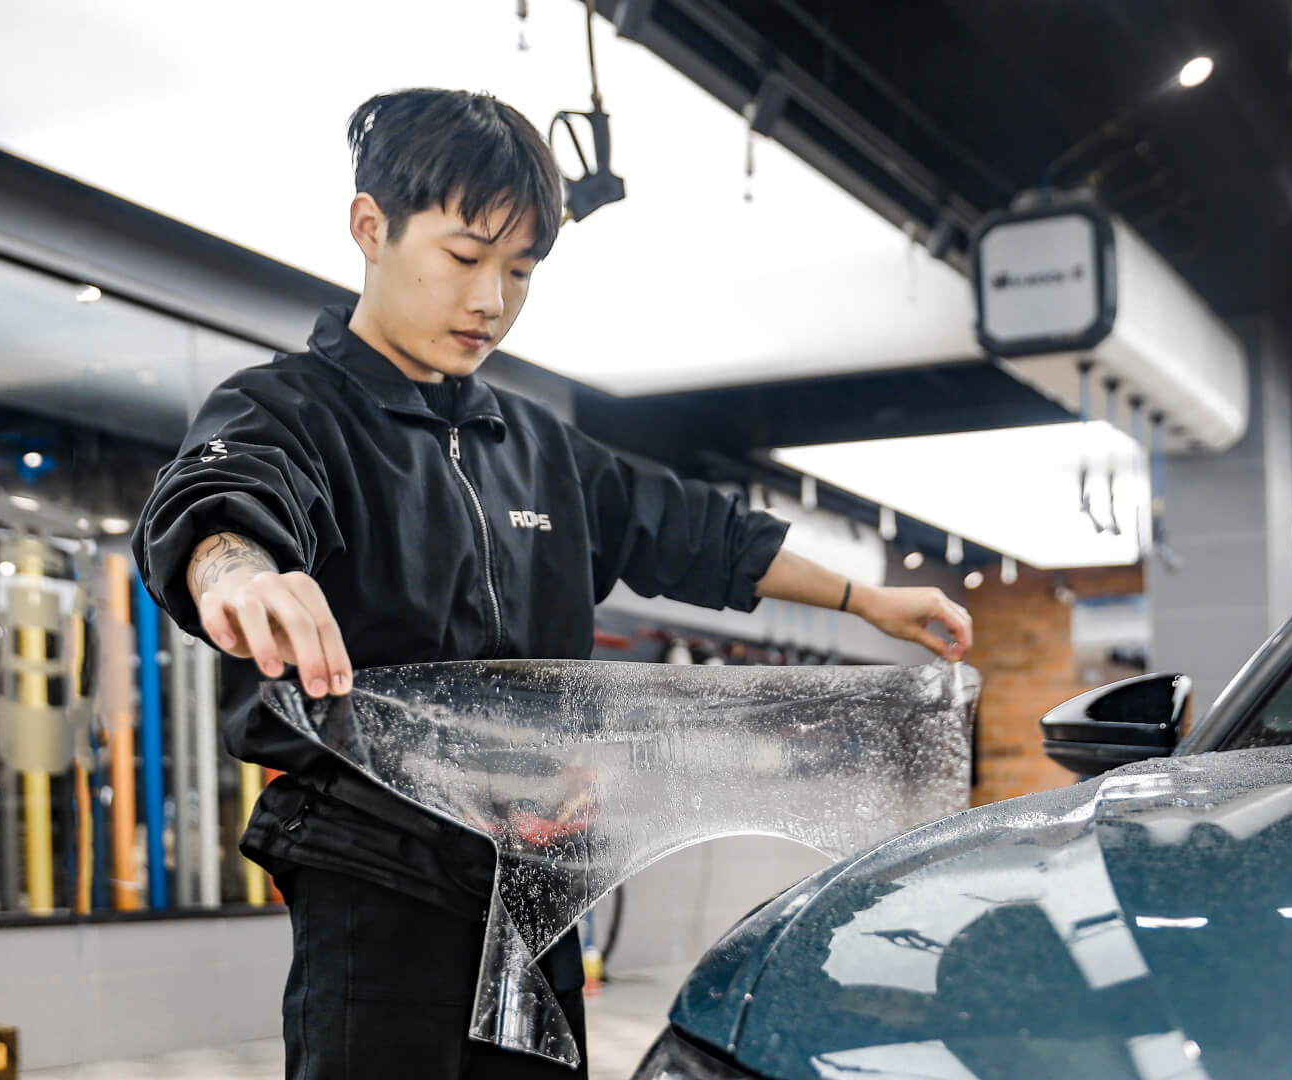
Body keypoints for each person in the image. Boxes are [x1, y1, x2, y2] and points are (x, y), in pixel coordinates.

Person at [132, 87, 973, 1080]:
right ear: (371, 227)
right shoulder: (289, 411)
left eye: (520, 270)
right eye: (465, 257)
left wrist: (865, 600)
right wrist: (238, 569)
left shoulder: (535, 447)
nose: (491, 300)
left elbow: (698, 533)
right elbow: (222, 495)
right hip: (382, 890)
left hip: (539, 884)